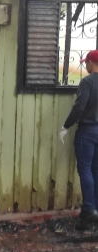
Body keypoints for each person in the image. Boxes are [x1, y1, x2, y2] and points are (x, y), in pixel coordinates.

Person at [59, 50, 98, 222]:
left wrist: (66, 126)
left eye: (86, 63)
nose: (85, 66)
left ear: (91, 63)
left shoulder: (87, 82)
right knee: (96, 170)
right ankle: (94, 207)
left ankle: (89, 209)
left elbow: (80, 106)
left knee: (85, 169)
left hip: (87, 131)